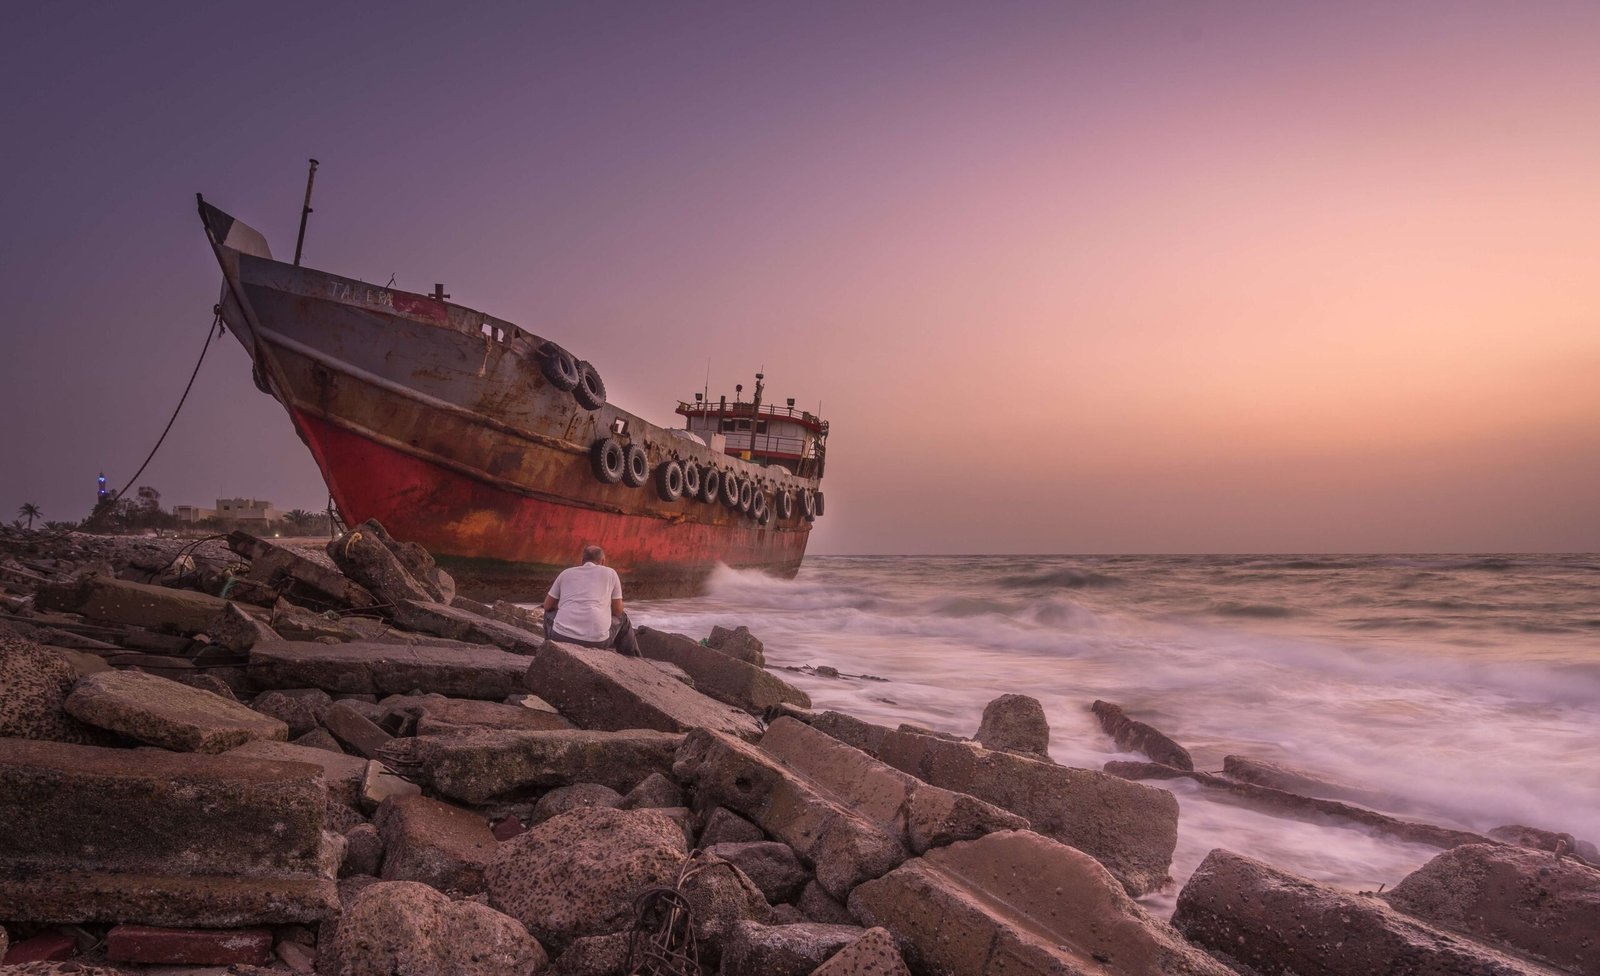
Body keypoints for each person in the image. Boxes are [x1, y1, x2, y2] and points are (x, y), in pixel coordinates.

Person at [541, 545, 640, 656]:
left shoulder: (566, 573)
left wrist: (562, 608)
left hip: (560, 637)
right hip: (598, 642)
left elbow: (547, 606)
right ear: (603, 561)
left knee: (548, 612)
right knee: (623, 618)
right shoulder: (611, 573)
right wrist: (603, 611)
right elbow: (617, 611)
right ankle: (633, 660)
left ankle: (548, 653)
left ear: (582, 560)